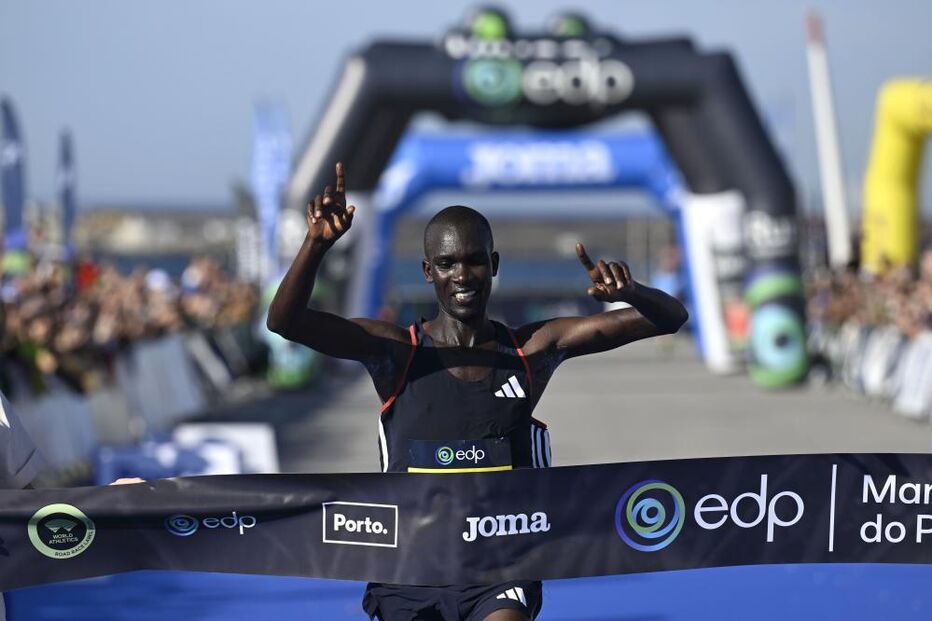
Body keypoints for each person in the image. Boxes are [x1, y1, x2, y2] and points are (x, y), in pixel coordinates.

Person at [267, 163, 688, 621]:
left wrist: (633, 291)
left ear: (494, 265)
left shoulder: (532, 349)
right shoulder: (395, 352)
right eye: (447, 264)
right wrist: (316, 244)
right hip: (409, 567)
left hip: (502, 565)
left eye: (473, 260)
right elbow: (285, 322)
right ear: (429, 271)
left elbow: (669, 318)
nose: (462, 275)